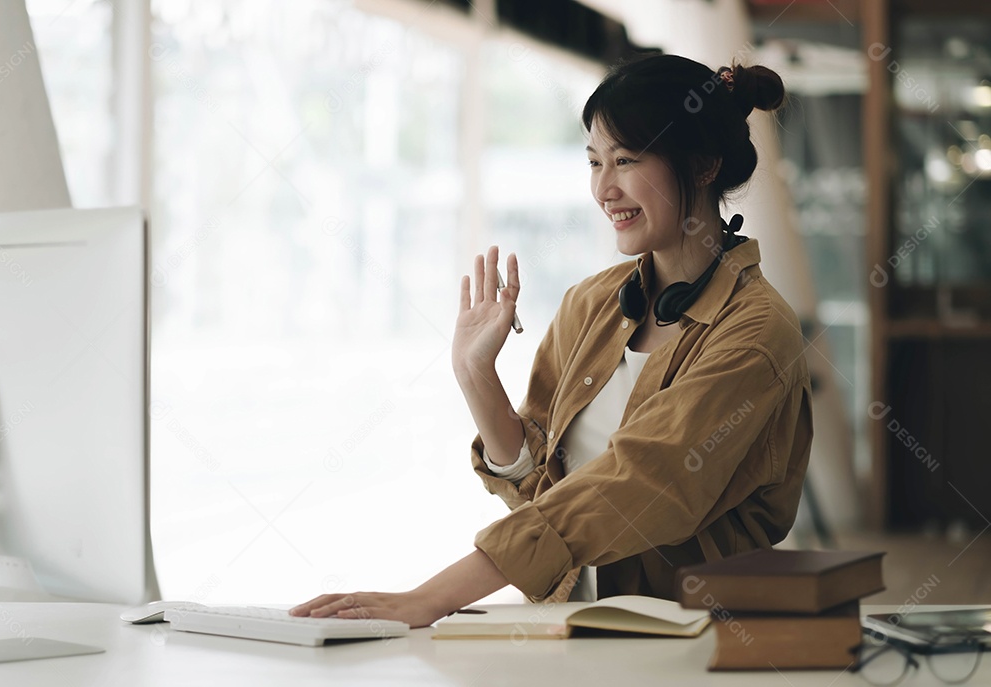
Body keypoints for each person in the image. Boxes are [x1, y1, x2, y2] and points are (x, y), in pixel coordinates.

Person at [291, 53, 813, 628]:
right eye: (594, 162)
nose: (604, 188)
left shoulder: (757, 331)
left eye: (627, 160)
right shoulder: (591, 304)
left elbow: (643, 483)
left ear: (704, 164)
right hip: (570, 629)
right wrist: (476, 377)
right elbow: (542, 497)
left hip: (693, 639)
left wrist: (430, 598)